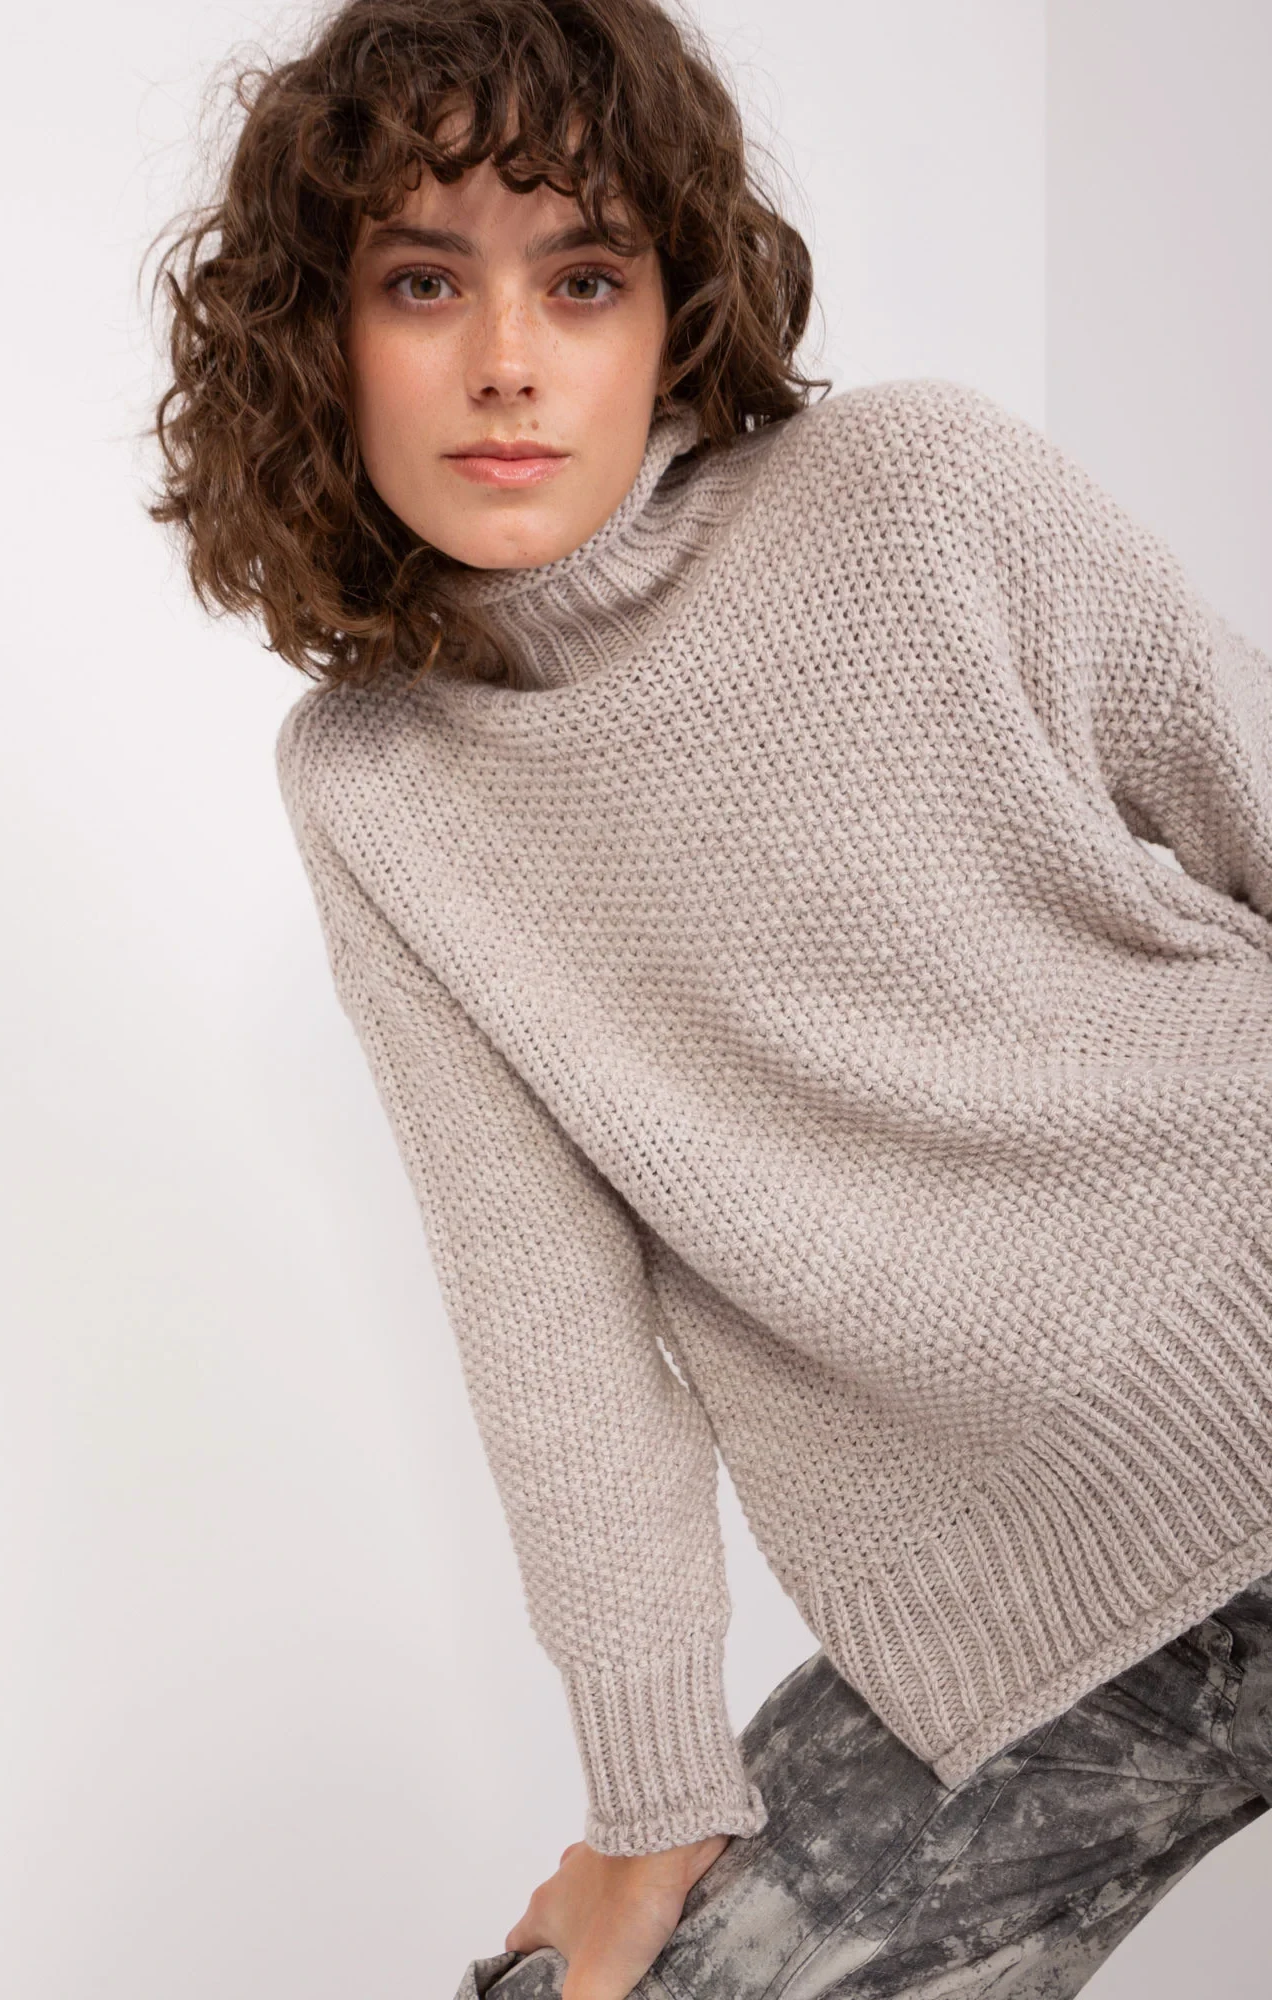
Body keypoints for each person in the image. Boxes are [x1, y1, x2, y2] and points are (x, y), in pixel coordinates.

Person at [144, 0, 1272, 1993]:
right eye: (425, 282)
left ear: (676, 316)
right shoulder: (379, 784)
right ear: (320, 336)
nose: (507, 360)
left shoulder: (919, 489)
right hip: (1032, 1602)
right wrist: (652, 1796)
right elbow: (551, 1326)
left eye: (582, 279)